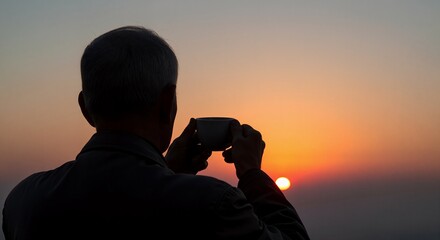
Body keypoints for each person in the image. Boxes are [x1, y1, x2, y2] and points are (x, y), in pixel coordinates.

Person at [2, 26, 310, 240]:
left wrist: (168, 170)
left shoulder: (24, 202)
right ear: (168, 103)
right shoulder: (215, 206)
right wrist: (252, 173)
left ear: (85, 108)